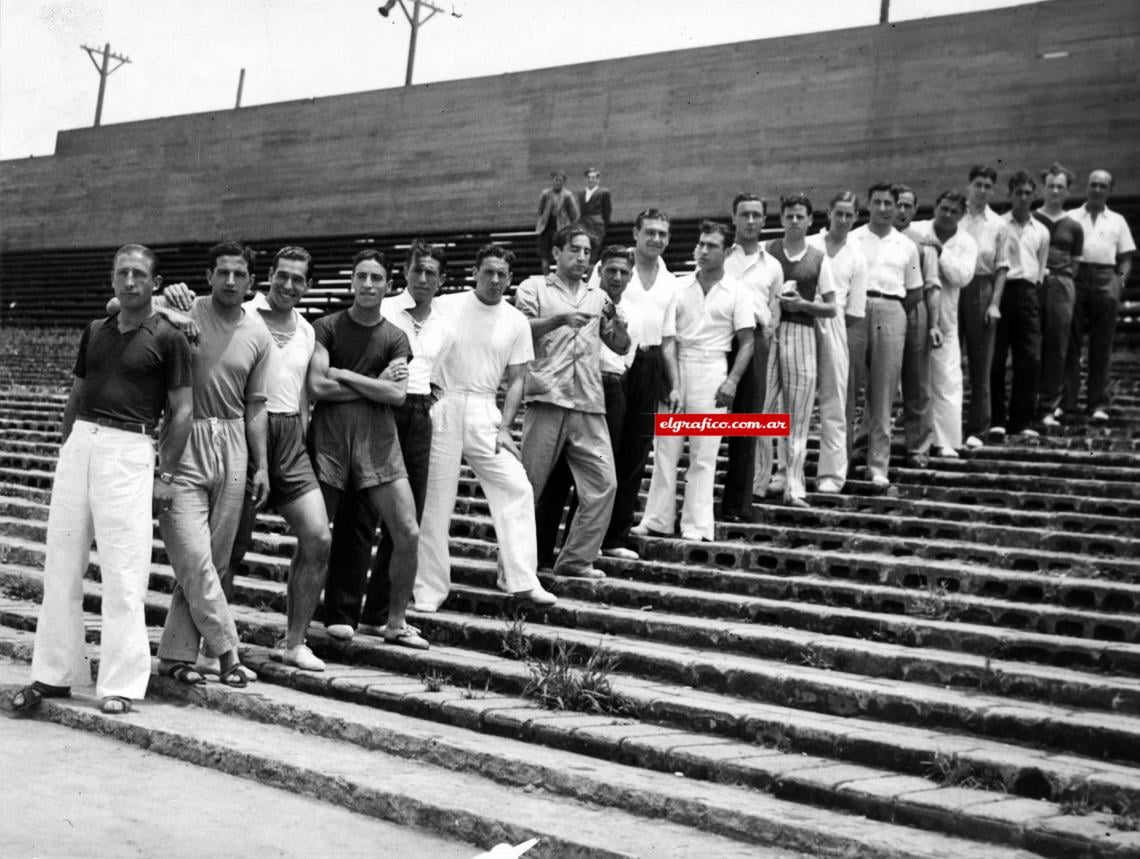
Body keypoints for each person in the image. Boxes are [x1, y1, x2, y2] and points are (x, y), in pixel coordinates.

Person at [10, 245, 193, 716]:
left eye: (139, 274)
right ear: (112, 281)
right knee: (62, 564)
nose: (129, 282)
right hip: (82, 445)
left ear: (154, 282)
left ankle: (122, 683)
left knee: (123, 570)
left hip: (129, 448)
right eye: (122, 274)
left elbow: (182, 410)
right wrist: (67, 447)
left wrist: (166, 476)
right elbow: (76, 393)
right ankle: (55, 673)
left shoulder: (169, 337)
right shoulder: (95, 331)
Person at [413, 245, 556, 610]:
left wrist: (506, 427)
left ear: (510, 279)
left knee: (517, 487)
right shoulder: (446, 306)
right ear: (475, 271)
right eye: (488, 272)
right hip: (443, 405)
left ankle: (521, 578)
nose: (495, 280)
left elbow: (518, 379)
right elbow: (423, 351)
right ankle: (428, 590)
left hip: (485, 410)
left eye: (503, 275)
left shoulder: (516, 321)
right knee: (435, 503)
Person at [155, 241, 271, 688]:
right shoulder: (182, 307)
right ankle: (228, 654)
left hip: (234, 443)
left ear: (250, 282)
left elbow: (255, 405)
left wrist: (261, 465)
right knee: (195, 558)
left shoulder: (257, 333)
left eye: (238, 274)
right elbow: (119, 305)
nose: (229, 281)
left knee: (213, 561)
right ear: (208, 276)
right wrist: (168, 304)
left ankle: (175, 655)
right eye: (221, 272)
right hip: (184, 440)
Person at [332, 240, 455, 634]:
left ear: (441, 279)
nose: (422, 279)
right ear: (404, 273)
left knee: (407, 516)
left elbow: (439, 373)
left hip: (418, 414)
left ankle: (381, 613)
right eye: (416, 270)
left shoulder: (444, 323)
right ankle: (342, 613)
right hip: (377, 411)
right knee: (360, 511)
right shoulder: (384, 309)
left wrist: (426, 401)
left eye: (431, 273)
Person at [218, 246, 332, 672]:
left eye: (298, 279)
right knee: (231, 547)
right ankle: (219, 646)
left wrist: (300, 441)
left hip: (290, 440)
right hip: (245, 436)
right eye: (282, 276)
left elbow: (303, 395)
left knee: (318, 537)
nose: (288, 285)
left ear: (308, 285)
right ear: (267, 276)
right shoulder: (242, 315)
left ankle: (294, 642)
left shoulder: (306, 329)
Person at [307, 250, 426, 649]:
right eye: (362, 277)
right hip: (330, 438)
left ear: (388, 285)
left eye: (377, 278)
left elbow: (395, 395)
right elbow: (317, 387)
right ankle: (299, 628)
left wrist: (342, 373)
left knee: (407, 531)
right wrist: (369, 381)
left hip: (379, 439)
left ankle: (395, 621)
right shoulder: (326, 326)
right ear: (352, 281)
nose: (369, 285)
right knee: (315, 535)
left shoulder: (395, 335)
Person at [517, 226, 628, 578]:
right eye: (575, 250)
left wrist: (621, 330)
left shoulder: (598, 297)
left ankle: (576, 559)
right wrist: (558, 319)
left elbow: (619, 346)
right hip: (548, 398)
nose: (582, 258)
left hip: (589, 404)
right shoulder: (534, 288)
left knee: (604, 483)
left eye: (586, 252)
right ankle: (515, 565)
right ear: (557, 253)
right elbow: (517, 330)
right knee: (527, 488)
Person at [636, 221, 753, 540]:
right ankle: (658, 519)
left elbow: (747, 342)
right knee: (665, 449)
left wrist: (731, 381)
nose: (702, 250)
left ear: (728, 251)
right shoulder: (678, 286)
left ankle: (697, 525)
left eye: (711, 246)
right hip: (677, 367)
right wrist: (672, 381)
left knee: (704, 454)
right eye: (700, 244)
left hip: (712, 370)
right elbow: (668, 336)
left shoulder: (738, 291)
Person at [596, 209, 681, 560]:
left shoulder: (671, 282)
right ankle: (588, 536)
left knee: (635, 454)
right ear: (636, 233)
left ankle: (615, 537)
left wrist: (674, 384)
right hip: (613, 368)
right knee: (605, 453)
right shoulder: (617, 270)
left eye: (663, 233)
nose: (656, 239)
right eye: (650, 232)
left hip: (649, 365)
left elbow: (670, 338)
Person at [754, 195, 836, 507]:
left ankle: (794, 485)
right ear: (782, 218)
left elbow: (831, 308)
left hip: (802, 333)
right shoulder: (768, 250)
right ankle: (760, 479)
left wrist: (803, 305)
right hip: (771, 334)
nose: (795, 221)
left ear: (810, 220)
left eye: (800, 216)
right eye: (789, 216)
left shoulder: (818, 258)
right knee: (761, 408)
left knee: (798, 415)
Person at [849, 183, 922, 488]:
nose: (882, 208)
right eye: (876, 202)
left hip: (891, 308)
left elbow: (915, 290)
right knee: (848, 388)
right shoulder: (853, 239)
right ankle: (843, 460)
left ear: (896, 207)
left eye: (888, 203)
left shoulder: (907, 246)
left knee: (883, 393)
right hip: (855, 310)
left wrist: (888, 307)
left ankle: (877, 465)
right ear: (868, 204)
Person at [721, 193, 782, 519]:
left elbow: (773, 309)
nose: (750, 220)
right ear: (734, 217)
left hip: (755, 341)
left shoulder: (772, 266)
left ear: (763, 219)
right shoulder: (720, 256)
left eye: (757, 215)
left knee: (746, 423)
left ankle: (737, 505)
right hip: (718, 339)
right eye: (744, 214)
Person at [910, 192, 978, 456]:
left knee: (947, 380)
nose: (947, 215)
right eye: (944, 208)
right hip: (913, 312)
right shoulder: (917, 230)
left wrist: (939, 250)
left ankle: (946, 442)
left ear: (961, 216)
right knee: (914, 382)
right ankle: (916, 440)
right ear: (935, 207)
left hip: (945, 319)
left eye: (954, 211)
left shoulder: (967, 242)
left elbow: (963, 277)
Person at [1064, 169, 1135, 421]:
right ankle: (1067, 402)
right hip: (1077, 276)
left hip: (1106, 278)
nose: (1096, 189)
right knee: (1070, 342)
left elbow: (1126, 257)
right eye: (1093, 184)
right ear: (1087, 187)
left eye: (1102, 186)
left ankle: (1098, 404)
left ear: (1110, 190)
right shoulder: (1071, 217)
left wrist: (1120, 282)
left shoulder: (1117, 220)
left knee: (1102, 344)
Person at [808, 191, 867, 491]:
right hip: (802, 322)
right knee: (794, 401)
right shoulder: (809, 244)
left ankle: (831, 474)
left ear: (856, 217)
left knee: (834, 401)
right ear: (828, 213)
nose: (843, 220)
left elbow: (855, 311)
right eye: (838, 213)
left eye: (849, 215)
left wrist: (833, 327)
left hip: (836, 325)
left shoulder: (857, 256)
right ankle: (785, 472)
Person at [992, 171, 1049, 438]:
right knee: (997, 358)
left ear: (1034, 196)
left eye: (1028, 193)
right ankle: (997, 419)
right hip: (1003, 290)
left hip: (1028, 292)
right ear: (1010, 195)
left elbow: (1040, 268)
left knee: (1030, 359)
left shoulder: (1042, 231)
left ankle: (1021, 421)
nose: (1024, 197)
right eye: (1019, 192)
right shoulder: (999, 225)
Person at [959, 165, 1011, 449]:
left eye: (987, 186)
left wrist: (994, 304)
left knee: (981, 364)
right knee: (949, 361)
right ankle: (948, 427)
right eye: (977, 184)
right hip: (954, 288)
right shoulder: (956, 216)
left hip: (982, 288)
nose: (981, 190)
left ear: (992, 190)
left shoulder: (998, 224)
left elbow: (1002, 267)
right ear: (969, 186)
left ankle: (978, 429)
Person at [893, 185, 943, 468]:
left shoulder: (924, 243)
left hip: (914, 311)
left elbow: (933, 287)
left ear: (914, 210)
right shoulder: (875, 240)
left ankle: (919, 446)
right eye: (896, 204)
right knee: (879, 383)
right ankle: (868, 445)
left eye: (906, 206)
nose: (900, 211)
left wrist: (934, 325)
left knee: (918, 382)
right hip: (884, 311)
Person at [1032, 163, 1084, 427]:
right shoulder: (1032, 219)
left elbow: (1075, 264)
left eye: (1060, 187)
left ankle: (1047, 407)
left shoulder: (1074, 226)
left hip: (1061, 284)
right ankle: (1025, 404)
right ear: (1043, 188)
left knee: (1056, 346)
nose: (1054, 191)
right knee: (1029, 345)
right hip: (1033, 284)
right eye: (1050, 185)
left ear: (1067, 191)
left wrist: (1059, 280)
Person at [536, 171, 580, 273]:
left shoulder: (567, 195)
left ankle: (560, 276)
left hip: (561, 228)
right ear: (552, 181)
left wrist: (568, 225)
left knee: (561, 254)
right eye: (556, 180)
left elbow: (574, 214)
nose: (558, 182)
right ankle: (546, 278)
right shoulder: (545, 194)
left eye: (560, 180)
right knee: (545, 256)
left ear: (564, 182)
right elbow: (540, 210)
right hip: (546, 228)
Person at [576, 167, 613, 266]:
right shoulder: (581, 193)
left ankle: (589, 277)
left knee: (594, 252)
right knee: (583, 250)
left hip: (597, 226)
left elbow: (607, 210)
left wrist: (605, 224)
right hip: (583, 224)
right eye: (589, 177)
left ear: (598, 179)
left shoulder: (603, 192)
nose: (591, 180)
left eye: (593, 177)